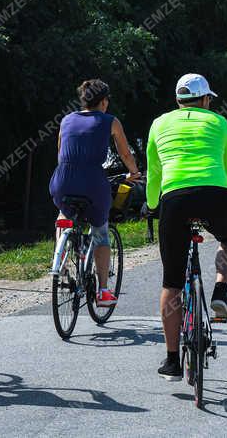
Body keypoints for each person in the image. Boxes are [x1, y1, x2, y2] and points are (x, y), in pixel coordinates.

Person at [147, 73, 227, 382]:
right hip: (215, 193)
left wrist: (151, 205)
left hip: (174, 198)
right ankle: (220, 292)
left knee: (171, 283)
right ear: (204, 100)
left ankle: (172, 360)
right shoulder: (219, 123)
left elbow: (154, 171)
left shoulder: (159, 124)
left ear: (178, 100)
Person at [49, 79, 141, 308]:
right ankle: (103, 291)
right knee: (100, 232)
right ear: (103, 102)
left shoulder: (66, 120)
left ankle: (59, 259)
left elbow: (61, 152)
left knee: (63, 216)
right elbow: (126, 155)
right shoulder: (111, 121)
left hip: (62, 180)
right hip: (92, 183)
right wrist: (134, 173)